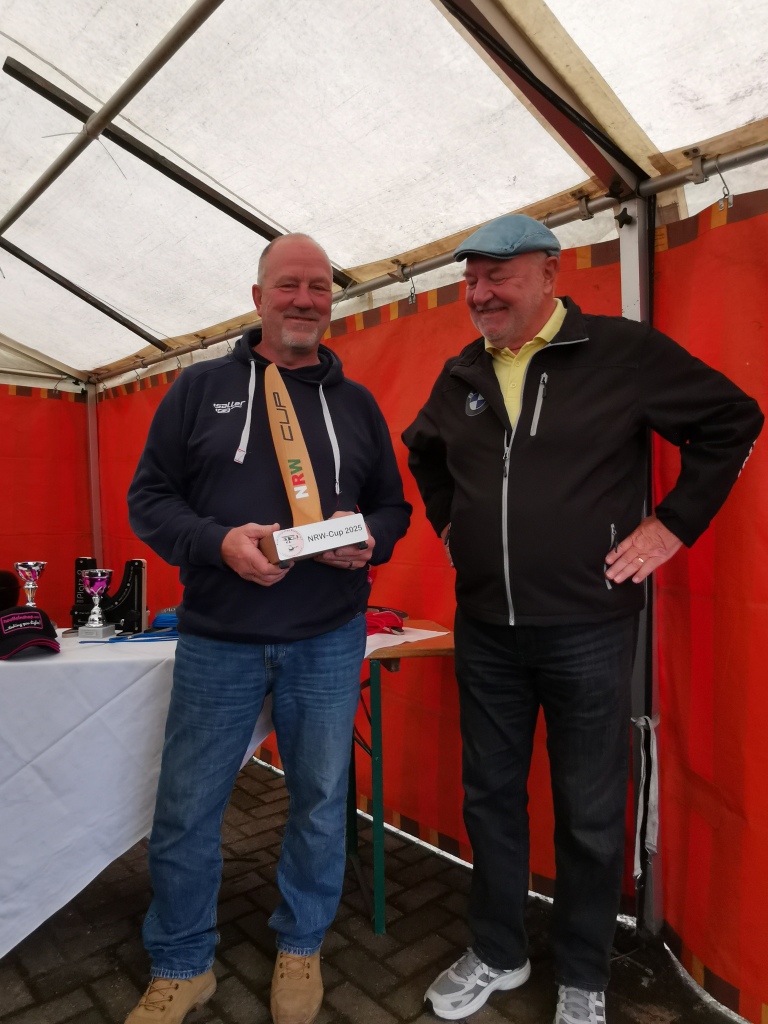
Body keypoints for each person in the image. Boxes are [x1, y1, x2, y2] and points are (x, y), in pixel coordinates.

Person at [402, 214, 763, 1024]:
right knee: (490, 797)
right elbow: (424, 451)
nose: (479, 294)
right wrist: (452, 525)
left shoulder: (620, 352)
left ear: (549, 273)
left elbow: (731, 419)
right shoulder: (462, 373)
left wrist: (672, 525)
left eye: (497, 276)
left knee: (591, 810)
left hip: (589, 629)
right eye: (470, 280)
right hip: (486, 630)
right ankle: (499, 952)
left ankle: (584, 974)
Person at [126, 233, 411, 1024]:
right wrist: (218, 543)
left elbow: (393, 506)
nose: (305, 300)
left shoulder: (356, 404)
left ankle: (300, 944)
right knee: (187, 809)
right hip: (219, 638)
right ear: (258, 298)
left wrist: (371, 539)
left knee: (320, 800)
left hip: (328, 636)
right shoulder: (199, 388)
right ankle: (183, 964)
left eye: (319, 287)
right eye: (289, 285)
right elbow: (149, 500)